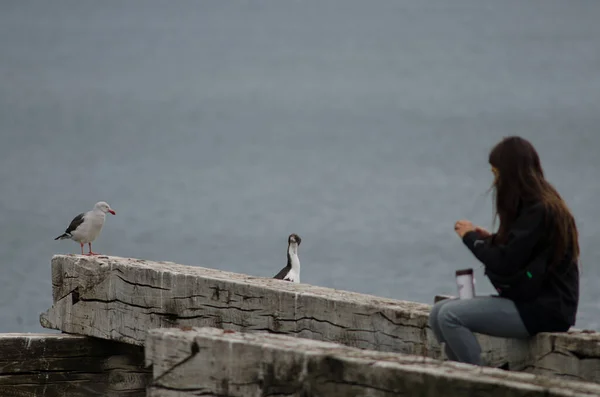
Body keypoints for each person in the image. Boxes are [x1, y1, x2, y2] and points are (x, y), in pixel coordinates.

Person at [428, 136, 580, 366]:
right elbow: (519, 251)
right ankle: (460, 371)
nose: (495, 181)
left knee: (450, 316)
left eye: (496, 173)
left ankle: (474, 382)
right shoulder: (535, 205)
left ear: (510, 173)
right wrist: (491, 239)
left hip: (544, 310)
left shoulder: (540, 211)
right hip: (527, 301)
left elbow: (505, 263)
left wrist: (471, 239)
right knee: (437, 312)